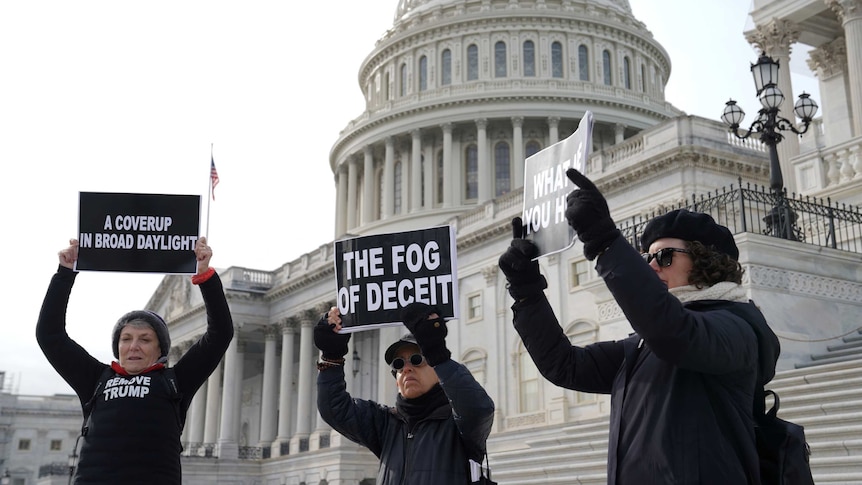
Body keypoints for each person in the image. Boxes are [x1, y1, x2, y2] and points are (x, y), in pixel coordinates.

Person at [497, 168, 780, 484]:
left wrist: (605, 244)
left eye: (665, 256)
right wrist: (526, 291)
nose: (653, 264)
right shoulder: (641, 346)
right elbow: (564, 365)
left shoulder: (737, 327)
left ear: (707, 259)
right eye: (647, 258)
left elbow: (674, 333)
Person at [36, 236, 234, 484]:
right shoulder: (96, 380)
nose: (133, 347)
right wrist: (65, 273)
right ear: (117, 346)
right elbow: (49, 335)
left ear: (160, 348)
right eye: (126, 339)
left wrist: (205, 276)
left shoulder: (175, 382)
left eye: (145, 339)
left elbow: (220, 335)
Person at [314, 302, 495, 484]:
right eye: (399, 364)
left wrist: (438, 354)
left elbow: (479, 408)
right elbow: (334, 408)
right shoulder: (386, 423)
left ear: (436, 369)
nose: (407, 368)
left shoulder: (459, 424)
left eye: (417, 359)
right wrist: (332, 359)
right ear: (396, 380)